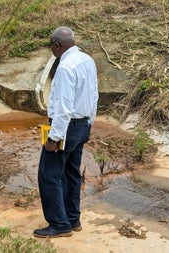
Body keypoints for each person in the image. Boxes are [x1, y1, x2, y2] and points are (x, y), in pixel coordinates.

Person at [33, 26, 98, 238]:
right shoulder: (87, 60)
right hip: (82, 125)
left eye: (52, 47)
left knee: (49, 175)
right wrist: (89, 123)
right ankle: (73, 219)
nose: (52, 51)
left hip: (66, 127)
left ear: (57, 46)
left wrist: (54, 137)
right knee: (71, 173)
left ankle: (59, 224)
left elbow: (63, 107)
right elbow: (94, 94)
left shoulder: (65, 68)